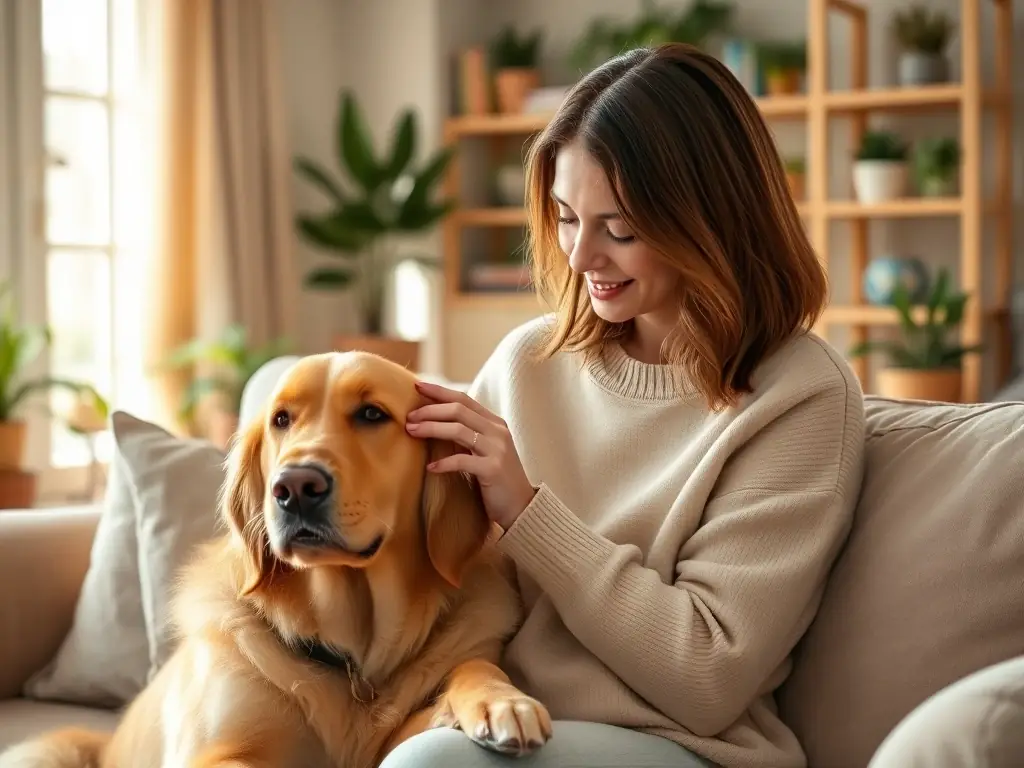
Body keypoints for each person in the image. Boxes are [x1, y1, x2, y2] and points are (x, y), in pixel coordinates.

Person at [385, 42, 866, 768]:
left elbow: (707, 675)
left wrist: (526, 512)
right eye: (567, 217)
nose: (579, 259)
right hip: (504, 720)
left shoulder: (800, 399)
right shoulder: (527, 362)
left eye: (621, 229)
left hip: (681, 748)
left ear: (712, 221)